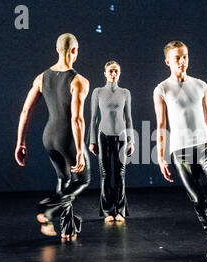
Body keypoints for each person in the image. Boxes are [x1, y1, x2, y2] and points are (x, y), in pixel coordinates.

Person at [153, 41, 207, 262]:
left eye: (185, 56)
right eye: (177, 58)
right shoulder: (161, 89)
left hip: (205, 145)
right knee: (198, 200)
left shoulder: (201, 85)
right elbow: (161, 124)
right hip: (180, 151)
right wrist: (161, 155)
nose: (182, 61)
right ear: (168, 62)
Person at [15, 33, 91, 240]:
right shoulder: (79, 81)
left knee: (64, 178)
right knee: (83, 179)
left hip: (49, 137)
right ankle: (47, 210)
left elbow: (25, 111)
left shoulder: (41, 77)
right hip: (67, 137)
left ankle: (67, 229)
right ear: (75, 51)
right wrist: (80, 154)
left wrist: (20, 142)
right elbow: (77, 120)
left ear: (57, 50)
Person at [89, 61, 135, 223]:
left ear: (119, 73)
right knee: (105, 174)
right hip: (103, 135)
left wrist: (132, 141)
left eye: (116, 71)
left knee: (120, 174)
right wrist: (92, 140)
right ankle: (108, 211)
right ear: (105, 73)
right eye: (110, 71)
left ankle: (120, 211)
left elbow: (128, 118)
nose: (113, 74)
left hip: (122, 136)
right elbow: (94, 118)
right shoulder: (98, 92)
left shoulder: (125, 93)